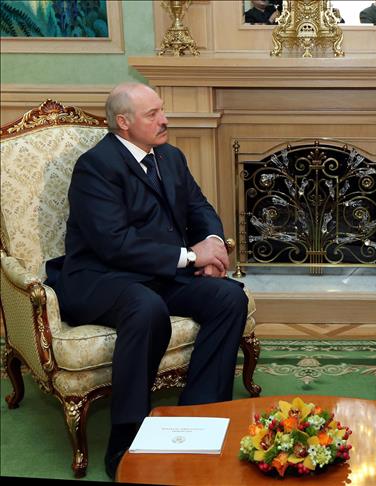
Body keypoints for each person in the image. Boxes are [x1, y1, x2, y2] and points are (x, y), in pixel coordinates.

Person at [44, 83, 249, 479]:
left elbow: (200, 208)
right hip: (102, 277)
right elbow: (113, 244)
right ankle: (127, 438)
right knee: (145, 307)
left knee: (228, 298)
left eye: (162, 110)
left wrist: (211, 243)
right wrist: (192, 257)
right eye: (153, 114)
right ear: (124, 123)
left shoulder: (170, 157)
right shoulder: (96, 167)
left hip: (159, 272)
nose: (164, 119)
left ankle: (197, 419)